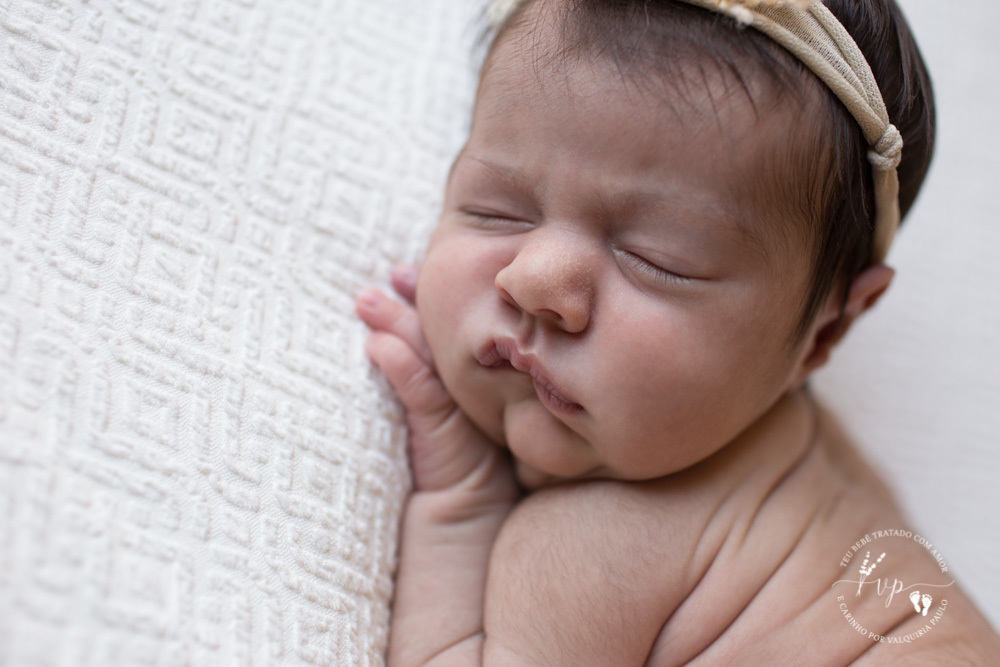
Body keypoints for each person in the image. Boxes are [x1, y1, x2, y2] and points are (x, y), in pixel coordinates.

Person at [356, 0, 1000, 663]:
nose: (536, 280)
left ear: (825, 329)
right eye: (497, 209)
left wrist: (460, 501)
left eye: (659, 259)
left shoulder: (588, 552)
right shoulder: (829, 477)